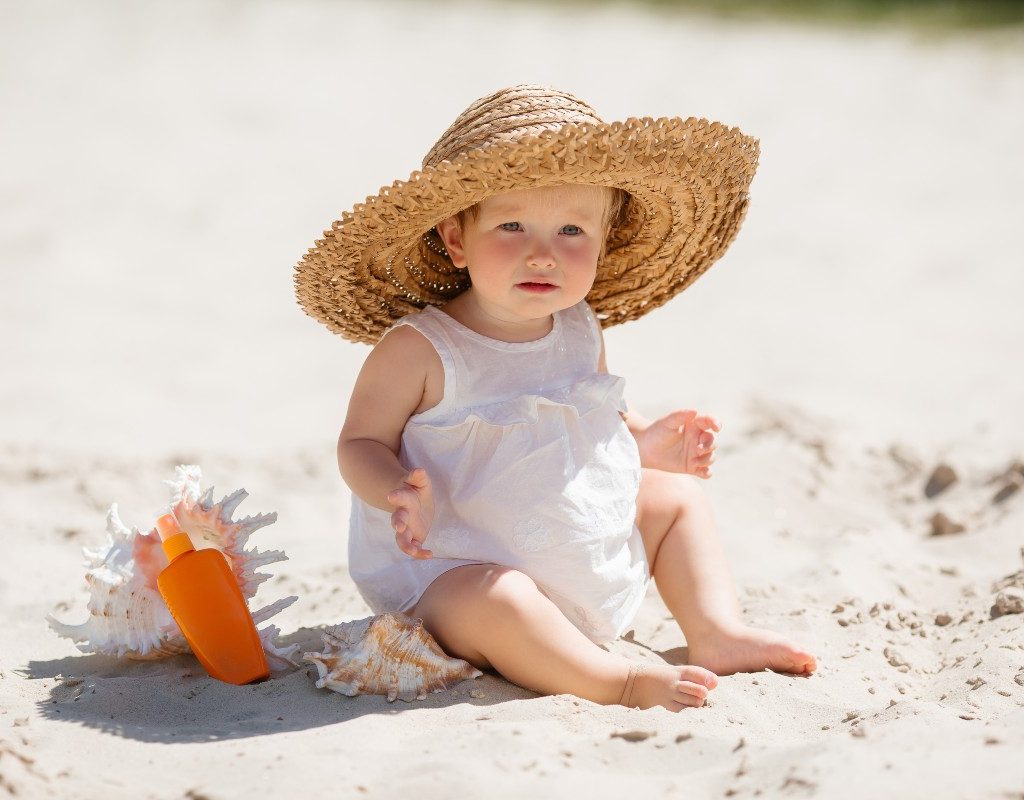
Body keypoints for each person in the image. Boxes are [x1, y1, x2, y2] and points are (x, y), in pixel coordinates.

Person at [295, 85, 817, 712]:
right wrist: (395, 492)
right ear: (457, 240)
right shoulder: (423, 349)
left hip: (576, 549)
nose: (542, 251)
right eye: (511, 225)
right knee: (499, 600)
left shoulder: (579, 326)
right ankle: (613, 680)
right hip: (455, 569)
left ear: (602, 243)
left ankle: (715, 630)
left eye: (572, 229)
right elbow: (359, 442)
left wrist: (647, 443)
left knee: (676, 500)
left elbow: (596, 414)